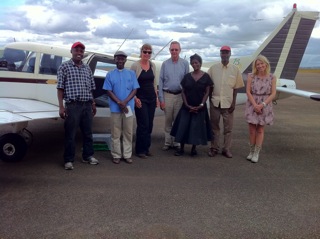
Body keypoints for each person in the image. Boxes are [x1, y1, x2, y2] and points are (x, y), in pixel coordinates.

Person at [57, 41, 99, 170]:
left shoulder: (87, 68)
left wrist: (93, 103)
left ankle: (88, 155)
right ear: (72, 51)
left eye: (81, 51)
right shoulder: (64, 67)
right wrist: (61, 106)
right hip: (73, 105)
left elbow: (91, 88)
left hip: (87, 105)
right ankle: (69, 160)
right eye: (77, 50)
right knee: (71, 133)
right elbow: (60, 88)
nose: (79, 53)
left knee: (88, 132)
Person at [170, 54, 213, 156]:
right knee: (183, 127)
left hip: (200, 108)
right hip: (187, 107)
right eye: (193, 63)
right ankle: (181, 148)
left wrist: (202, 104)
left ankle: (194, 149)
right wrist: (186, 104)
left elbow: (207, 92)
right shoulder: (187, 77)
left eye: (196, 62)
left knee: (196, 128)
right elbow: (183, 91)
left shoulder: (206, 77)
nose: (195, 64)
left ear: (200, 63)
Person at [103, 51, 139, 164]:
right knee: (116, 132)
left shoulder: (131, 74)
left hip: (128, 108)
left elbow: (135, 89)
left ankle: (127, 155)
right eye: (118, 58)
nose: (120, 60)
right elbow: (108, 90)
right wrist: (119, 102)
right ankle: (116, 155)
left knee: (128, 132)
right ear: (115, 60)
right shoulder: (110, 74)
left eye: (122, 58)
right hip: (115, 108)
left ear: (125, 60)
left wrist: (125, 102)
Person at [207, 45, 244, 158]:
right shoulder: (213, 69)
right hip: (215, 102)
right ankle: (214, 148)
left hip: (228, 104)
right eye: (223, 52)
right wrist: (210, 99)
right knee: (214, 127)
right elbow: (208, 85)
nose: (224, 54)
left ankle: (226, 149)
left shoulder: (235, 69)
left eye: (226, 52)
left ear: (230, 54)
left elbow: (236, 87)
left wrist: (233, 102)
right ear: (220, 54)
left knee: (228, 129)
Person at [158, 41, 190, 151]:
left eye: (176, 49)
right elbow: (161, 81)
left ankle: (176, 142)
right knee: (168, 120)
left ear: (180, 50)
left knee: (178, 120)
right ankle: (167, 142)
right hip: (168, 95)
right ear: (169, 51)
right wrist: (161, 99)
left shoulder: (185, 64)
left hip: (180, 96)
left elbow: (187, 82)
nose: (174, 51)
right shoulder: (165, 64)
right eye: (172, 49)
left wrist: (186, 99)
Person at [245, 55, 276, 163]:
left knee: (260, 129)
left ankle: (257, 152)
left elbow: (273, 93)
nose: (260, 66)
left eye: (262, 63)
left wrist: (262, 104)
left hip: (265, 104)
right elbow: (248, 91)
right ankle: (251, 151)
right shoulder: (251, 76)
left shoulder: (272, 77)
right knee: (252, 130)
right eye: (258, 64)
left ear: (266, 64)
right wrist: (255, 105)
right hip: (252, 103)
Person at [130, 43, 157, 158]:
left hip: (151, 97)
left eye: (149, 52)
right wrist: (135, 98)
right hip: (141, 99)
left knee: (150, 124)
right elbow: (131, 84)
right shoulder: (135, 66)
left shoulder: (152, 65)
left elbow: (154, 83)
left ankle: (146, 148)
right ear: (141, 52)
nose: (147, 54)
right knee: (143, 124)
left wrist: (156, 98)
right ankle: (140, 150)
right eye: (145, 51)